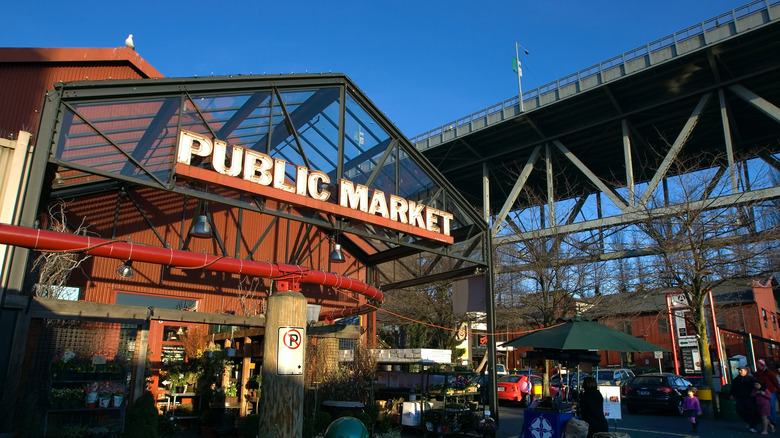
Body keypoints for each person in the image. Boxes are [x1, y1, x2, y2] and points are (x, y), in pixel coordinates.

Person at [732, 365, 760, 433]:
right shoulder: (737, 379)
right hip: (740, 398)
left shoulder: (751, 379)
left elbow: (759, 384)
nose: (739, 371)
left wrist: (759, 388)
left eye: (741, 370)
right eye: (739, 370)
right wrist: (732, 394)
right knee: (739, 410)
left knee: (751, 412)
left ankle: (753, 426)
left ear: (745, 371)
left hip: (749, 398)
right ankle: (749, 422)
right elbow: (733, 387)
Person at [755, 359, 779, 427]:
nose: (757, 365)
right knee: (764, 406)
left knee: (771, 406)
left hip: (770, 391)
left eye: (758, 364)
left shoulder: (769, 373)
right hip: (763, 390)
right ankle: (766, 420)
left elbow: (775, 382)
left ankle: (772, 420)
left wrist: (778, 389)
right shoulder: (758, 373)